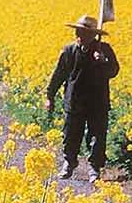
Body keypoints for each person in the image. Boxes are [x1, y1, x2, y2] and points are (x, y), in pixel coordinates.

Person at [45, 15, 120, 182]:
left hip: (98, 101)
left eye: (84, 32)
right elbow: (59, 75)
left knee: (97, 136)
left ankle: (94, 167)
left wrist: (103, 61)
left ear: (93, 35)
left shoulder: (104, 49)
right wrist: (50, 96)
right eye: (78, 31)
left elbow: (114, 71)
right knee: (70, 135)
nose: (79, 35)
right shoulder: (69, 51)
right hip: (74, 100)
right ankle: (69, 162)